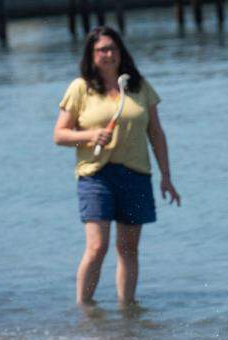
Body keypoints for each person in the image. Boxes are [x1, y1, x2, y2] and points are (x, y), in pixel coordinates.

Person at [53, 26, 181, 306]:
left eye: (112, 48)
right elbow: (59, 135)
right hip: (96, 176)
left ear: (121, 52)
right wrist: (89, 135)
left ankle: (128, 312)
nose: (108, 54)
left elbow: (156, 133)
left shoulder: (139, 87)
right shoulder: (80, 88)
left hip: (136, 175)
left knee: (129, 249)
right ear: (91, 54)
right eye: (101, 50)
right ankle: (85, 311)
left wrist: (166, 177)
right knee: (97, 247)